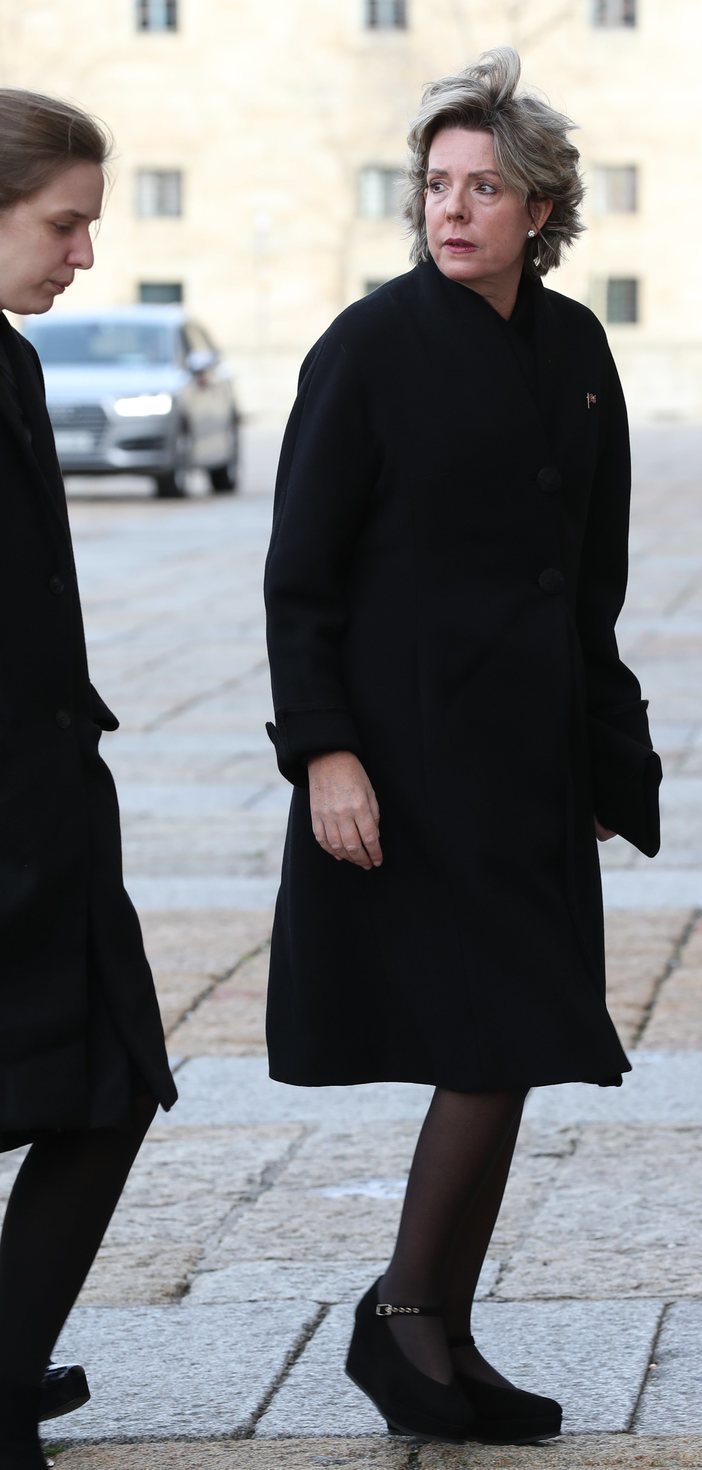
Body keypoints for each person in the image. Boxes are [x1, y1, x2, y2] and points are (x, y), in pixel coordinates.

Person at [264, 47, 660, 1445]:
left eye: (486, 186)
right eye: (437, 184)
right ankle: (402, 1321)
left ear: (542, 209)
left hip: (531, 765)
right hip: (413, 767)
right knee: (496, 1036)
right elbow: (298, 576)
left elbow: (588, 572)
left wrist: (608, 762)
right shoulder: (368, 348)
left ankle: (440, 1327)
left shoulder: (577, 349)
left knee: (520, 1039)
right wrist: (325, 754)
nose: (454, 209)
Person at [0, 89, 177, 1469]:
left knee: (109, 1081)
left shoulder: (8, 364)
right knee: (99, 1086)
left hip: (48, 802)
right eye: (64, 224)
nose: (85, 254)